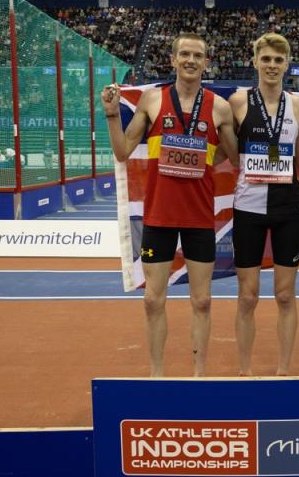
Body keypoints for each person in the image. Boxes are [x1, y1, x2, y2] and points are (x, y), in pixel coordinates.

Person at [101, 32, 238, 377]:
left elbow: (235, 156)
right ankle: (157, 373)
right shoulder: (152, 100)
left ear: (206, 63)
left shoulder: (219, 108)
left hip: (198, 219)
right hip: (159, 217)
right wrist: (112, 115)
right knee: (152, 300)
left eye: (198, 55)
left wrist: (208, 155)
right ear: (173, 60)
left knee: (202, 301)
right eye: (185, 54)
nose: (191, 60)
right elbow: (122, 152)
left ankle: (199, 374)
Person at [228, 33, 299, 376]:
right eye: (266, 59)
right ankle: (245, 371)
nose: (272, 66)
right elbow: (231, 154)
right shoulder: (237, 101)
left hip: (288, 207)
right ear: (255, 61)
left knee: (285, 296)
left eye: (278, 60)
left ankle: (283, 370)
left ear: (286, 65)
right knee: (247, 297)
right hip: (248, 206)